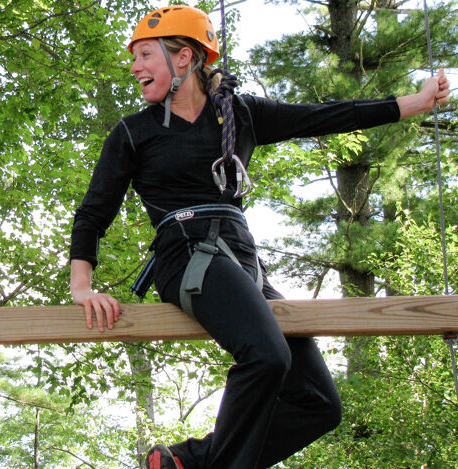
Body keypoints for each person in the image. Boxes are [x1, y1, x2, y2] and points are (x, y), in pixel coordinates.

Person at [69, 5, 451, 469]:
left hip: (240, 259)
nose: (134, 67)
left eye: (145, 54)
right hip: (184, 253)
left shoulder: (240, 115)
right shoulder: (134, 132)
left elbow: (325, 116)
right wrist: (82, 286)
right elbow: (94, 211)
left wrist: (417, 101)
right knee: (267, 357)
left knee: (319, 403)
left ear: (183, 58)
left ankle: (191, 461)